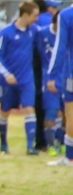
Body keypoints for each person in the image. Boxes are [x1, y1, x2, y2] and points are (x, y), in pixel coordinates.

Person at [0, 0, 40, 155]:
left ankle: (30, 146)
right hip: (8, 80)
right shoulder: (6, 33)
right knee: (5, 111)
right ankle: (3, 143)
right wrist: (6, 73)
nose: (36, 19)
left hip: (26, 78)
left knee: (29, 108)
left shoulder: (33, 31)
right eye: (34, 15)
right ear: (25, 15)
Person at [46, 0, 73, 167]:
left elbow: (60, 47)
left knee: (70, 113)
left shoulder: (66, 15)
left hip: (72, 73)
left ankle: (70, 156)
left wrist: (52, 75)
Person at [35, 11, 63, 156]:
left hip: (65, 76)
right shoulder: (42, 34)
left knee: (63, 112)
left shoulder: (67, 34)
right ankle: (51, 144)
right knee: (51, 111)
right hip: (49, 78)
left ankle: (62, 143)